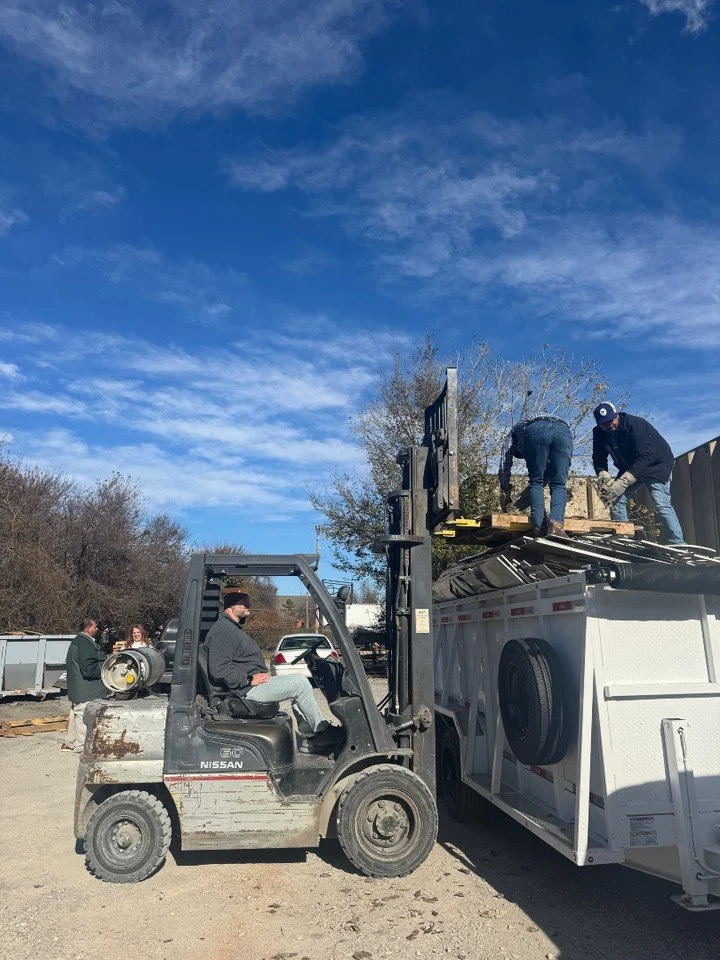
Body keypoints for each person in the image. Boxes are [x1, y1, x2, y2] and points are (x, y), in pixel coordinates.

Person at [204, 591, 340, 751]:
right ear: (232, 606)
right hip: (244, 691)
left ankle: (311, 738)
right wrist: (248, 679)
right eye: (244, 603)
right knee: (301, 683)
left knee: (297, 685)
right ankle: (322, 732)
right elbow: (219, 668)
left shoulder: (231, 628)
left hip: (248, 687)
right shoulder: (224, 630)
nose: (249, 606)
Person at [592, 402, 685, 545]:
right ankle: (623, 542)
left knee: (661, 504)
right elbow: (599, 456)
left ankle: (678, 544)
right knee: (615, 499)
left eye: (611, 421)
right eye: (604, 424)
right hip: (631, 466)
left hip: (656, 464)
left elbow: (646, 456)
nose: (609, 425)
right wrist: (602, 474)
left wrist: (623, 482)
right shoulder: (598, 433)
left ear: (617, 415)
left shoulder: (635, 425)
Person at [498, 415, 574, 537]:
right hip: (564, 431)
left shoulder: (514, 433)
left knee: (536, 482)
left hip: (536, 430)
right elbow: (551, 470)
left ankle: (540, 528)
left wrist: (505, 487)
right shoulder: (522, 426)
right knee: (559, 483)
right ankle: (556, 527)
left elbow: (505, 460)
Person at [61, 618, 107, 753]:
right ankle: (81, 747)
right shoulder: (85, 644)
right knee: (82, 716)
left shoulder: (78, 641)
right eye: (95, 627)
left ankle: (69, 743)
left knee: (75, 714)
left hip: (78, 687)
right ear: (88, 629)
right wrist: (106, 669)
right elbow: (88, 669)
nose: (97, 629)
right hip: (86, 688)